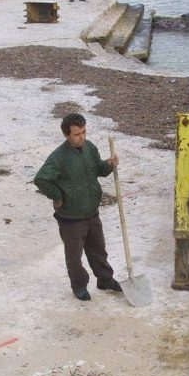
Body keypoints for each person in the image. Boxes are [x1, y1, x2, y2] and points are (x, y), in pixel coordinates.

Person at [34, 113, 123, 301]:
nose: (81, 137)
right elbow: (41, 178)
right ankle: (79, 285)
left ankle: (105, 279)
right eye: (76, 134)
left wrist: (108, 165)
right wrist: (57, 196)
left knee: (98, 249)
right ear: (67, 135)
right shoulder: (59, 157)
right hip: (71, 217)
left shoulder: (89, 148)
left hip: (91, 212)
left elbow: (97, 169)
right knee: (74, 256)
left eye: (84, 132)